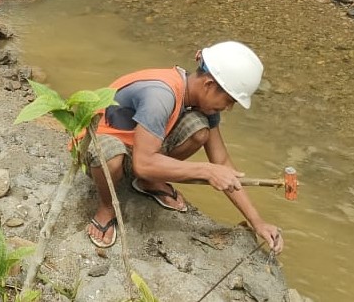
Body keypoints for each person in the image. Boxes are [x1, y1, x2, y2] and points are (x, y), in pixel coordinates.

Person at [84, 41, 284, 253]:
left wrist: (257, 222)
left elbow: (222, 162)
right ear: (208, 85)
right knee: (111, 155)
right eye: (229, 100)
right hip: (100, 146)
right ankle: (106, 209)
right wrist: (206, 170)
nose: (229, 108)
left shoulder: (200, 101)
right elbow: (143, 163)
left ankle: (150, 181)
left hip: (139, 147)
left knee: (200, 129)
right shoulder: (160, 96)